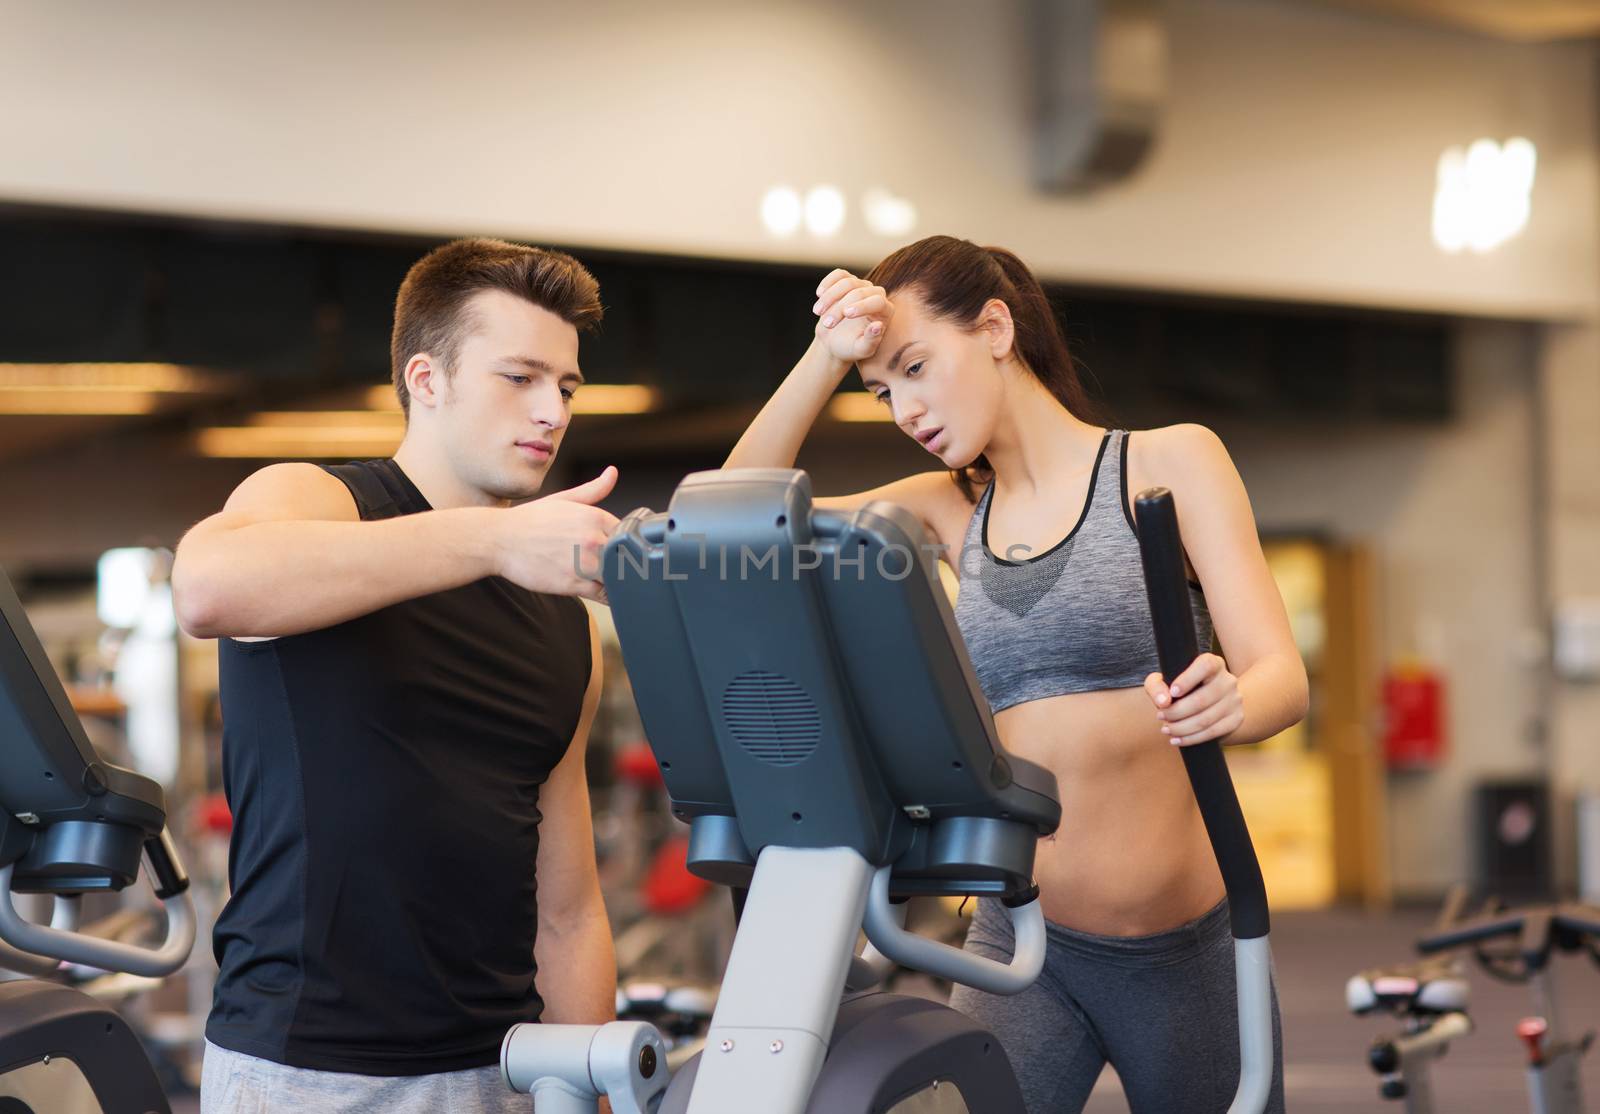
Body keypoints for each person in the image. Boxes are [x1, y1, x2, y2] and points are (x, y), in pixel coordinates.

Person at [724, 235, 1307, 1113]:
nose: (905, 409)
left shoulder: (1168, 461)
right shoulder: (944, 510)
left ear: (995, 327)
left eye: (916, 367)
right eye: (882, 390)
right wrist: (822, 354)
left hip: (1183, 949)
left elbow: (1281, 679)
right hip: (1021, 943)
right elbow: (734, 518)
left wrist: (1234, 702)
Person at [172, 237, 621, 1113]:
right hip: (311, 1074)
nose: (551, 410)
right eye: (519, 377)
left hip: (506, 1071)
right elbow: (206, 588)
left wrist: (587, 1089)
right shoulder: (316, 502)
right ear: (427, 378)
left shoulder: (562, 617)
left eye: (565, 387)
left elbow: (567, 912)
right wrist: (494, 540)